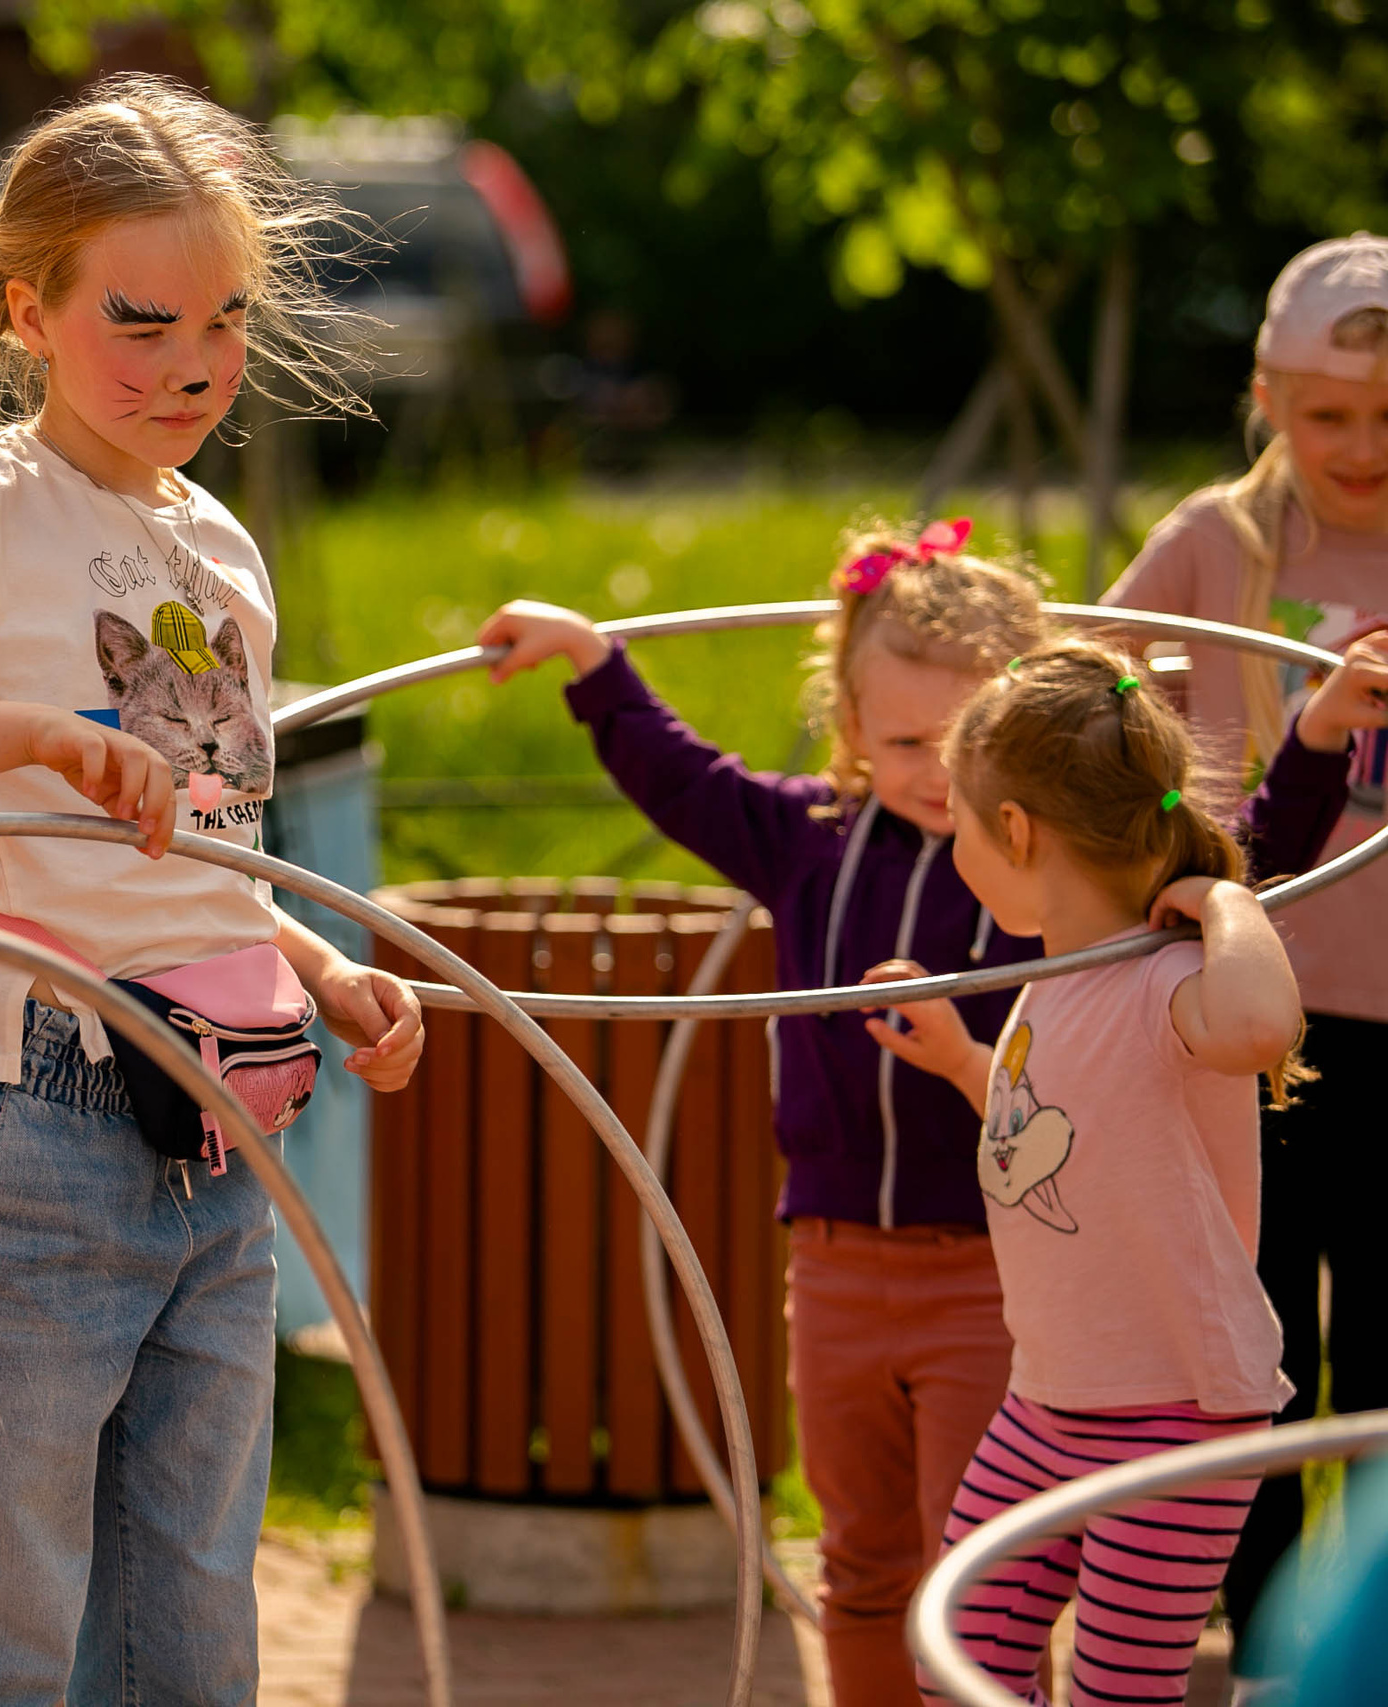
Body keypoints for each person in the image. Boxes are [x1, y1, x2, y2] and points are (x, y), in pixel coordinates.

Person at [0, 74, 424, 1705]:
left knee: (190, 1621)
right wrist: (26, 743)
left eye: (225, 321)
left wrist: (321, 970)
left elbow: (197, 843)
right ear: (30, 308)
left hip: (222, 1116)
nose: (193, 364)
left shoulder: (221, 545)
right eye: (140, 320)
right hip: (24, 1109)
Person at [475, 522, 1356, 1707]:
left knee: (1011, 1591)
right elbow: (685, 778)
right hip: (848, 1262)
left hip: (1009, 1293)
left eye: (961, 753)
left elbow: (1234, 856)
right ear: (846, 730)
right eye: (903, 743)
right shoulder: (817, 846)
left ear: (1019, 803)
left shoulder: (1086, 919)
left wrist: (1291, 773)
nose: (937, 781)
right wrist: (595, 665)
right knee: (884, 1572)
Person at [862, 641, 1322, 1707]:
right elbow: (1057, 1136)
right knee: (960, 1659)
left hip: (1177, 1411)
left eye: (964, 826)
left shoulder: (1166, 977)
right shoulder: (1053, 979)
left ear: (1014, 831)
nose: (957, 845)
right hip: (1051, 1399)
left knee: (1118, 1694)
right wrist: (963, 1062)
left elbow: (1258, 1024)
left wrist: (1223, 905)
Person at [1095, 234, 1388, 1698]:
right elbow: (1093, 688)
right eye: (1330, 412)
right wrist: (1163, 837)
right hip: (1247, 1025)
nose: (1361, 447)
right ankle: (1270, 1642)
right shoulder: (1218, 539)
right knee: (1258, 1337)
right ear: (1268, 396)